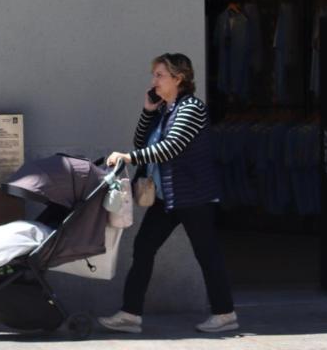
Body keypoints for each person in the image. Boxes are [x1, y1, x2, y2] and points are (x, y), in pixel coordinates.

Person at [99, 53, 237, 334]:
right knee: (144, 248)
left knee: (207, 254)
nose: (154, 81)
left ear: (179, 78)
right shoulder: (166, 110)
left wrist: (128, 157)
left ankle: (225, 314)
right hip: (167, 197)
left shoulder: (191, 109)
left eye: (160, 75)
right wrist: (148, 111)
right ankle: (130, 314)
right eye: (154, 75)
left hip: (194, 196)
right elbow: (141, 141)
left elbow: (170, 148)